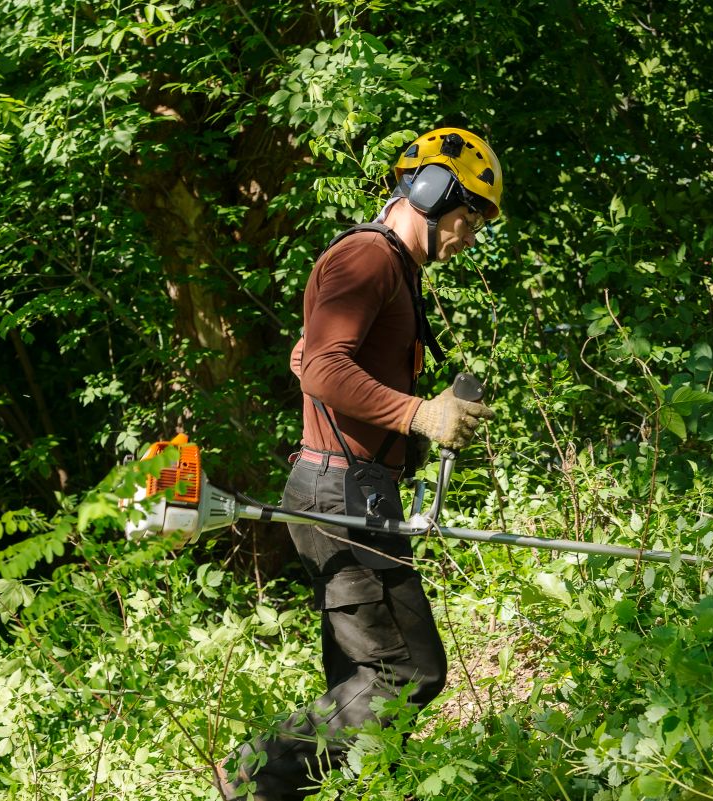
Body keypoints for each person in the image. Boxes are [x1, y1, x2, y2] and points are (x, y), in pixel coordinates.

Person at [216, 127, 502, 801]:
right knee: (407, 673)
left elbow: (317, 355)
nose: (469, 237)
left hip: (356, 496)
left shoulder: (390, 270)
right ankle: (257, 769)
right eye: (468, 218)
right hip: (340, 498)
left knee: (358, 685)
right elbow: (321, 366)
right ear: (430, 194)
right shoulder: (368, 259)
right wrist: (419, 413)